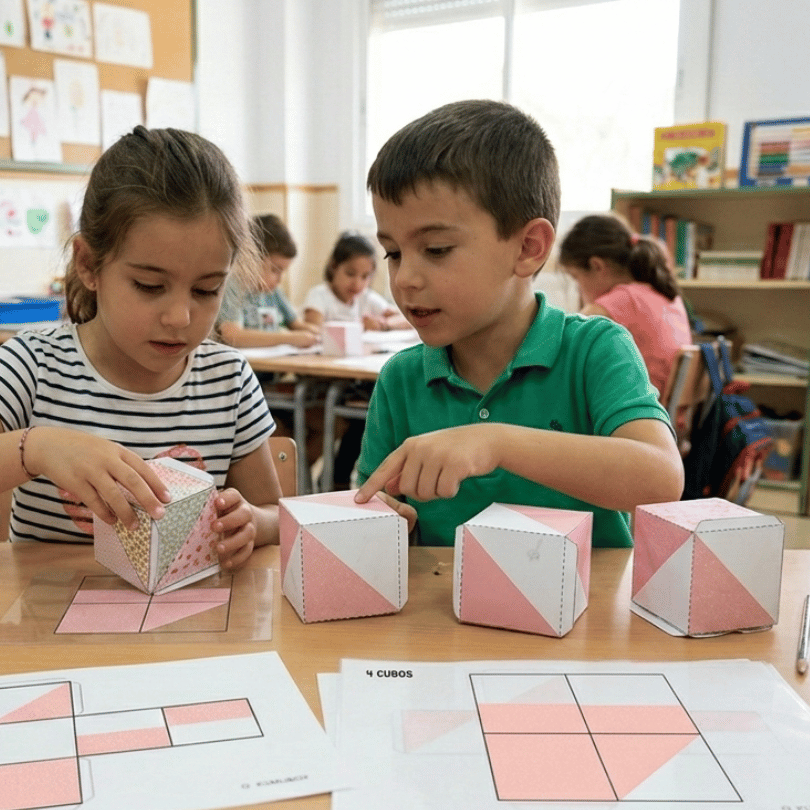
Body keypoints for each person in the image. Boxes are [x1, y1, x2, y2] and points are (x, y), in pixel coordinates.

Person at [354, 100, 684, 547]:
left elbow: (661, 479)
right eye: (393, 253)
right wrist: (387, 522)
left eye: (435, 250)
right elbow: (373, 509)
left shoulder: (594, 349)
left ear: (528, 247)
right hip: (446, 615)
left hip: (587, 614)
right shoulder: (402, 379)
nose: (405, 279)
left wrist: (494, 443)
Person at [0, 126, 281, 569]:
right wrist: (35, 448)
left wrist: (254, 524)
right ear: (90, 265)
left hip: (191, 623)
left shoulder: (227, 379)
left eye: (207, 290)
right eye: (149, 286)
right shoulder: (32, 366)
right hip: (48, 629)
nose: (179, 318)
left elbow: (274, 513)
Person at [558, 213, 692, 396]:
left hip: (636, 415)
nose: (578, 289)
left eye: (576, 278)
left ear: (597, 266)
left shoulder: (619, 303)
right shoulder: (666, 294)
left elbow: (562, 354)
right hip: (667, 415)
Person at [218, 213, 319, 349]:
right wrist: (290, 338)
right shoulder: (233, 286)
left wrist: (321, 333)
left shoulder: (273, 291)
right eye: (275, 270)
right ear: (251, 259)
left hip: (272, 366)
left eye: (282, 272)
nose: (279, 279)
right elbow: (233, 335)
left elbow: (297, 324)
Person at [302, 231, 408, 331]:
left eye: (365, 276)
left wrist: (383, 324)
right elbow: (313, 330)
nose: (357, 283)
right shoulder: (319, 295)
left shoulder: (365, 297)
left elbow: (405, 318)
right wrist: (361, 326)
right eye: (350, 274)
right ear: (334, 267)